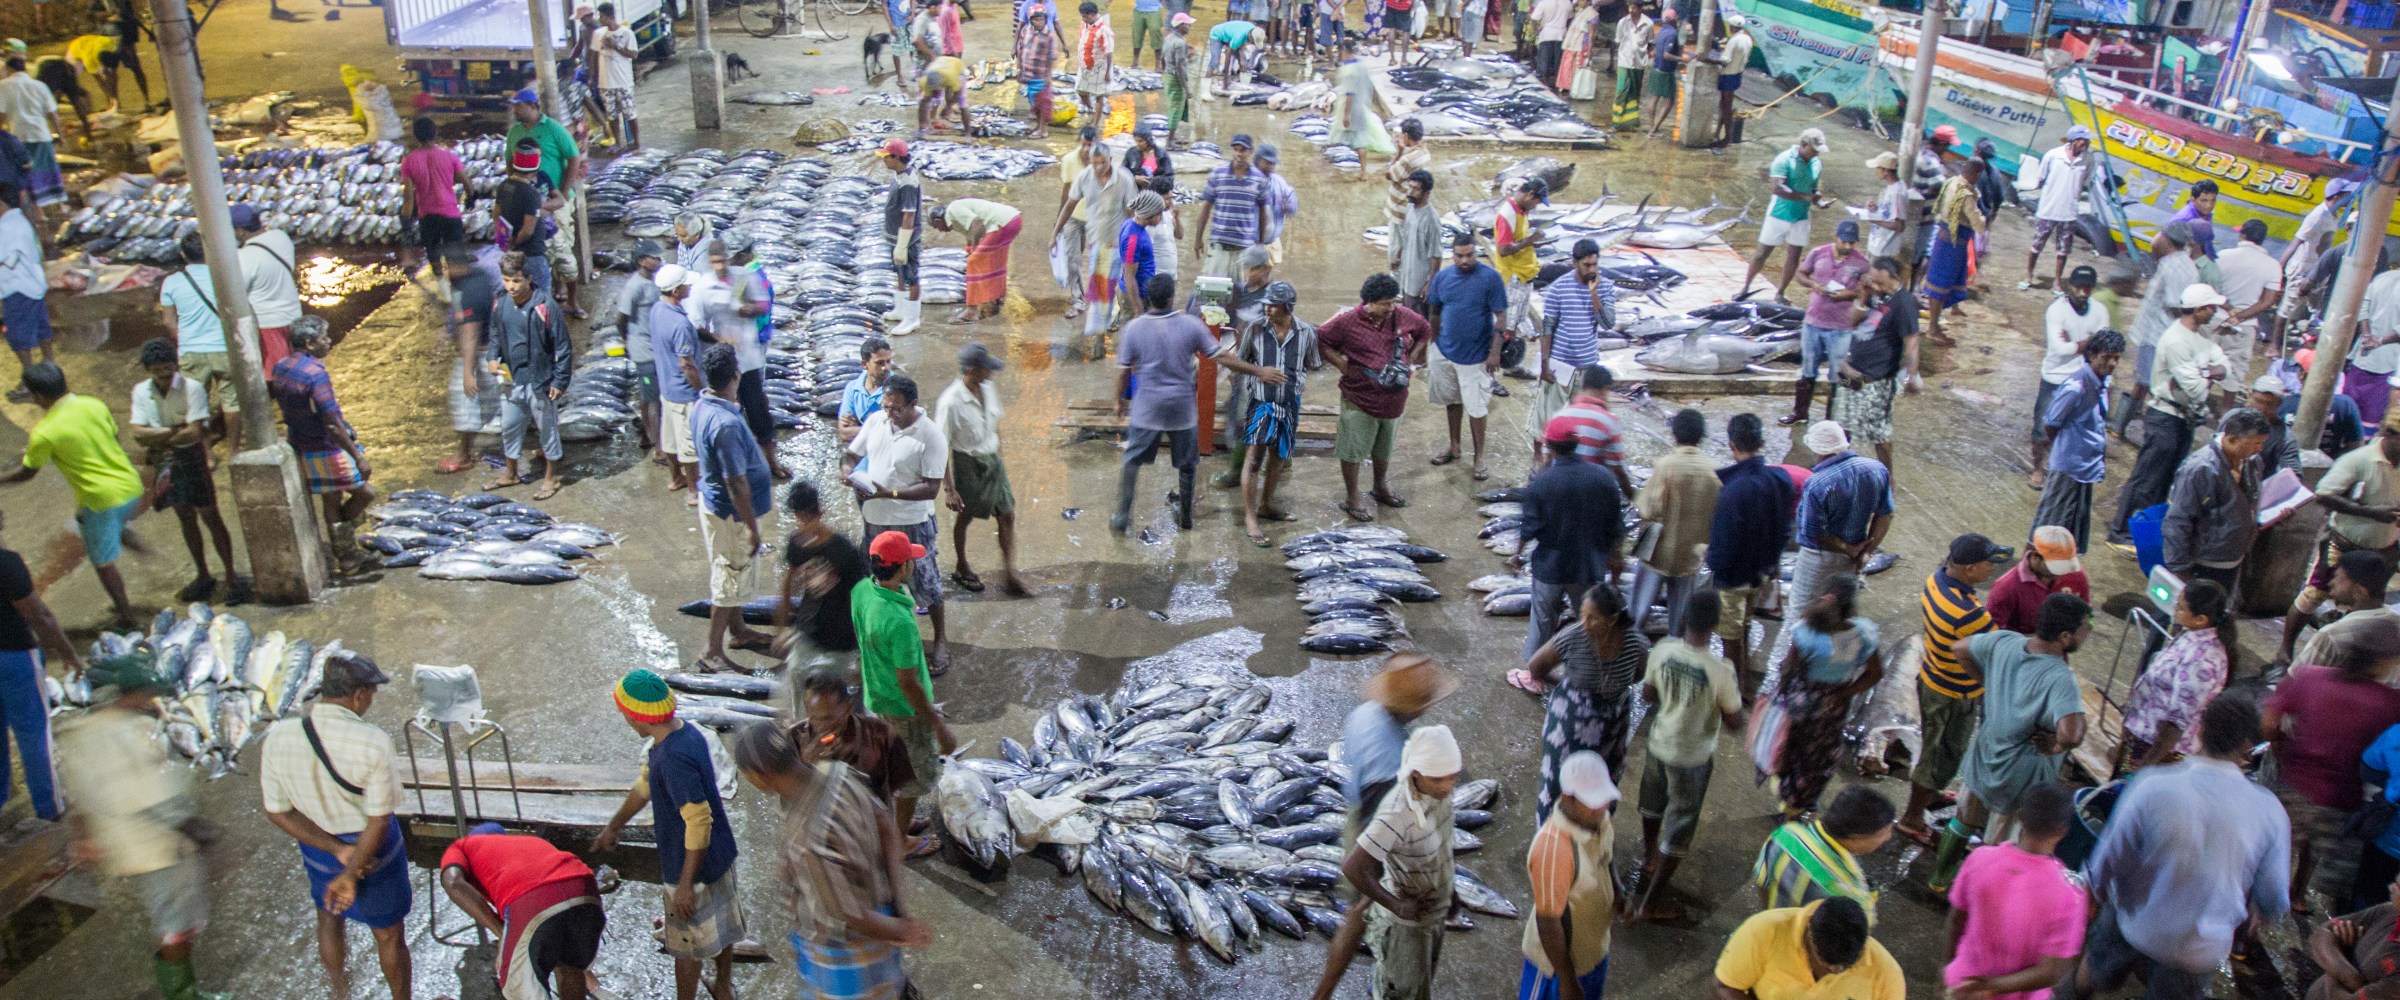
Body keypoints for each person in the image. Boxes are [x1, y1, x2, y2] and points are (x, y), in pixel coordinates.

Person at [2058, 695, 2290, 1000]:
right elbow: (2274, 901)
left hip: (2134, 921)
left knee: (2093, 969)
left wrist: (2092, 899)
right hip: (2197, 949)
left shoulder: (2152, 785)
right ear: (2248, 748)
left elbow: (2108, 862)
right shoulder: (2269, 811)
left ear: (2201, 731)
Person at [58, 654, 222, 1000]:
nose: (149, 698)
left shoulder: (81, 734)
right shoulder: (126, 733)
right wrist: (193, 828)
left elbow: (79, 797)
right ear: (126, 694)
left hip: (130, 846)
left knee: (169, 919)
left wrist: (85, 837)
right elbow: (149, 796)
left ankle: (182, 991)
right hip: (159, 846)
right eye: (143, 692)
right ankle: (183, 995)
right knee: (175, 926)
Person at [730, 722, 928, 1000]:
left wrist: (904, 930)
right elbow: (885, 826)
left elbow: (850, 915)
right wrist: (898, 905)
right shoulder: (839, 772)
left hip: (844, 955)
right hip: (881, 912)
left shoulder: (807, 839)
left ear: (760, 776)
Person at [258, 653, 412, 1000]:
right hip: (372, 850)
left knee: (329, 915)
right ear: (358, 695)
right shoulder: (371, 741)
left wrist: (335, 851)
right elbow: (379, 818)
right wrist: (354, 868)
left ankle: (338, 992)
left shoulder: (279, 736)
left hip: (318, 846)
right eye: (371, 694)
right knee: (387, 934)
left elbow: (278, 813)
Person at [597, 670, 745, 1000]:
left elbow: (698, 821)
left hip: (691, 864)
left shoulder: (671, 758)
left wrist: (684, 886)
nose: (625, 721)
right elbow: (645, 785)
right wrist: (615, 824)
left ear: (637, 718)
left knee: (686, 947)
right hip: (721, 853)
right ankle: (723, 986)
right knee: (723, 926)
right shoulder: (686, 735)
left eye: (625, 715)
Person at [1113, 275, 1282, 532]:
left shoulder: (1134, 329)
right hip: (1181, 409)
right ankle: (1186, 517)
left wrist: (1119, 401)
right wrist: (1258, 371)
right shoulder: (1190, 325)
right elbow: (1222, 357)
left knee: (1132, 460)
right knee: (1187, 465)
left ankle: (1122, 515)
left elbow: (1124, 371)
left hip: (1147, 409)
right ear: (1172, 297)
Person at [2265, 615, 2400, 913]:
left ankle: (2246, 935)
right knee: (2339, 884)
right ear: (2384, 662)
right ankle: (2303, 899)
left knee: (2272, 857)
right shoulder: (2390, 703)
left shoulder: (2309, 676)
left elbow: (2267, 721)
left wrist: (2280, 745)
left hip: (2294, 785)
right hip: (2343, 800)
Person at [1626, 589, 1741, 922]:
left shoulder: (1662, 650)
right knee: (1679, 826)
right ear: (1716, 625)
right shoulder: (1721, 671)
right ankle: (1651, 902)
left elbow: (1647, 695)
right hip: (1692, 759)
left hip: (1659, 745)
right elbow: (1734, 722)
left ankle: (1649, 855)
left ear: (1684, 617)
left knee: (1652, 803)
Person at [1950, 593, 2090, 858]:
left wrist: (1989, 684)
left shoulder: (2004, 641)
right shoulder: (2059, 677)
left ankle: (1939, 880)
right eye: (2085, 627)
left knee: (1964, 817)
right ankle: (1976, 894)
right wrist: (2056, 746)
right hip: (2017, 776)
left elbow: (1960, 648)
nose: (2089, 631)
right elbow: (2072, 735)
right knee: (1999, 845)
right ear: (2064, 637)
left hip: (1984, 756)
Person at [854, 529, 959, 858]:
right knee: (912, 775)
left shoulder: (862, 591)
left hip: (877, 699)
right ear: (901, 569)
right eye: (909, 561)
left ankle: (898, 821)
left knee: (893, 766)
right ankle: (899, 841)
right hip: (904, 709)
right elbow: (908, 682)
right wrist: (937, 724)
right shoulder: (900, 623)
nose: (913, 564)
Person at [1336, 725, 1461, 1000]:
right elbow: (1354, 867)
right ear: (1417, 775)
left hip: (1433, 909)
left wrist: (1452, 890)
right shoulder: (1396, 814)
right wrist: (1395, 905)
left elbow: (1442, 846)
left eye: (1453, 778)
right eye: (1440, 780)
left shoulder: (1439, 795)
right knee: (1407, 991)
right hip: (1409, 925)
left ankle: (1383, 984)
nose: (1449, 787)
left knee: (1412, 979)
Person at [1896, 534, 2006, 843]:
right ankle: (1912, 818)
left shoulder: (1935, 581)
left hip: (1931, 675)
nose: (1992, 570)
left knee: (1937, 749)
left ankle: (1928, 796)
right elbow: (1995, 650)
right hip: (1952, 692)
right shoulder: (1970, 614)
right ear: (1970, 569)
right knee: (1937, 754)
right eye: (1989, 564)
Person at [844, 374, 953, 667]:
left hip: (912, 524)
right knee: (877, 579)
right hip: (875, 521)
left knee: (925, 581)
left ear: (913, 404)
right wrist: (847, 472)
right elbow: (851, 454)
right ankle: (879, 633)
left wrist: (887, 493)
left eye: (896, 408)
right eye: (886, 406)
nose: (889, 412)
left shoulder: (931, 436)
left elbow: (931, 488)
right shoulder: (876, 422)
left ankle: (940, 639)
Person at [2109, 281, 2229, 547]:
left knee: (2164, 480)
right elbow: (2197, 389)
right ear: (2197, 310)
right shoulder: (2177, 341)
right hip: (2165, 417)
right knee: (2147, 479)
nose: (2213, 312)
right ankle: (2121, 532)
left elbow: (2223, 366)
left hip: (2181, 419)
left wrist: (2205, 373)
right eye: (2210, 307)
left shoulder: (2199, 339)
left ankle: (2143, 530)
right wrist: (2207, 375)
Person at [1942, 783, 2086, 1000]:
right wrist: (1991, 987)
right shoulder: (2070, 893)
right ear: (2062, 831)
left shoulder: (1979, 858)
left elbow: (1956, 920)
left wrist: (1949, 970)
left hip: (1963, 983)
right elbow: (2053, 971)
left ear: (2019, 817)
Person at [129, 338, 244, 604]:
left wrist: (159, 435)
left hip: (190, 457)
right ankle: (203, 574)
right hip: (166, 459)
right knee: (184, 515)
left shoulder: (192, 388)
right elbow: (137, 434)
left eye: (168, 369)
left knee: (210, 515)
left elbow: (195, 431)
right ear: (148, 369)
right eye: (157, 370)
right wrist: (175, 432)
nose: (164, 375)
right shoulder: (140, 391)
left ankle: (231, 576)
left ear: (175, 366)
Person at [2283, 408, 2400, 661]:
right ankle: (2284, 652)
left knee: (2366, 605)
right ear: (2390, 434)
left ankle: (2342, 658)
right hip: (2344, 545)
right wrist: (2371, 513)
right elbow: (2324, 495)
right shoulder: (2359, 460)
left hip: (2382, 550)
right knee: (2313, 595)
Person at [440, 822, 606, 1000]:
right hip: (586, 891)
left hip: (535, 897)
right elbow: (560, 892)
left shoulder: (462, 846)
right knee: (570, 966)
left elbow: (453, 882)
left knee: (518, 987)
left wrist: (501, 932)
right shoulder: (530, 844)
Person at [266, 322, 380, 571]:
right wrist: (357, 457)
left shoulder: (281, 367)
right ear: (309, 344)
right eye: (323, 338)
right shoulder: (315, 373)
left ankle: (347, 553)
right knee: (365, 493)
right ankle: (345, 549)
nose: (328, 341)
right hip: (326, 447)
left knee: (331, 498)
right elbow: (331, 422)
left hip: (301, 443)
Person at [689, 344, 775, 673]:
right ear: (736, 375)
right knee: (729, 575)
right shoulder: (723, 423)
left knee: (731, 572)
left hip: (717, 506)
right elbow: (736, 482)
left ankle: (738, 630)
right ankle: (712, 650)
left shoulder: (704, 404)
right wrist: (752, 527)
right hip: (731, 514)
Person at [1318, 273, 1430, 523]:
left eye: (1393, 302)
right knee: (1353, 449)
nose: (1391, 308)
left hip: (1393, 399)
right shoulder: (1346, 322)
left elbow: (1425, 330)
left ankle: (1380, 486)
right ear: (1369, 302)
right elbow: (1322, 339)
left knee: (1384, 447)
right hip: (1359, 397)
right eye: (1385, 303)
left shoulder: (1402, 315)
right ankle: (1352, 497)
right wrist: (1342, 366)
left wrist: (1410, 360)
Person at [1767, 576, 1883, 817]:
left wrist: (1779, 696)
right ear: (1852, 604)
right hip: (1833, 705)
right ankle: (1804, 800)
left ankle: (1788, 797)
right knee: (1819, 755)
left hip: (1801, 699)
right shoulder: (1863, 634)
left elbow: (1789, 668)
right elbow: (1874, 673)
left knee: (1791, 747)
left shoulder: (1806, 631)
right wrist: (1847, 691)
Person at [1514, 423, 1627, 671]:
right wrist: (1615, 556)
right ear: (1577, 445)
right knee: (1588, 621)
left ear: (1549, 447)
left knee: (1543, 620)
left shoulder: (1542, 483)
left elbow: (1529, 527)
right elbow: (1616, 525)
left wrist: (1517, 553)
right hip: (1588, 566)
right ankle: (1591, 668)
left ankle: (1533, 672)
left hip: (1550, 567)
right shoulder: (1603, 477)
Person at [1520, 750, 1617, 1000]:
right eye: (1592, 801)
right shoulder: (1553, 849)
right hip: (1555, 969)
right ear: (1568, 798)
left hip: (1593, 954)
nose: (1601, 807)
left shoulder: (1600, 820)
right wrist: (1567, 979)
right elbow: (1548, 921)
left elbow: (1606, 859)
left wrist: (1618, 891)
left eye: (1603, 798)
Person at [1708, 413, 1794, 680]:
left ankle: (1736, 687)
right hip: (1762, 571)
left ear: (1732, 445)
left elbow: (1725, 542)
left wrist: (1716, 568)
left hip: (1733, 577)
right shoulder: (1780, 479)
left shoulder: (1733, 489)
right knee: (1743, 622)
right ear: (1762, 443)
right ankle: (1743, 672)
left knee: (1729, 635)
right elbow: (1784, 528)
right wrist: (1773, 562)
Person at [1236, 281, 1320, 546]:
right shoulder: (1256, 329)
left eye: (1274, 305)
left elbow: (1313, 364)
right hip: (1261, 403)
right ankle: (1250, 516)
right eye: (1267, 304)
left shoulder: (1306, 331)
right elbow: (1241, 361)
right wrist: (1259, 373)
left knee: (1279, 455)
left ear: (1289, 306)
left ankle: (1266, 504)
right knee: (1253, 458)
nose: (1268, 309)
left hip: (1290, 404)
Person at [486, 252, 575, 500]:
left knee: (547, 429)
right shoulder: (500, 302)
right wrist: (492, 357)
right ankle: (511, 472)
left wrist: (559, 381)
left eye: (516, 281)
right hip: (511, 379)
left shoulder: (544, 306)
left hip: (540, 380)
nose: (511, 286)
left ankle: (552, 477)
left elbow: (563, 347)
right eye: (506, 280)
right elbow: (494, 334)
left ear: (528, 279)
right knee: (510, 426)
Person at [937, 343, 1023, 596]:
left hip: (992, 460)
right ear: (973, 370)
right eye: (987, 368)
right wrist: (949, 490)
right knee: (965, 517)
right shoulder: (950, 402)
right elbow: (940, 448)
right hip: (968, 464)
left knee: (1007, 514)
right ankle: (961, 565)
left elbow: (996, 426)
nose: (992, 373)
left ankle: (1010, 573)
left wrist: (1001, 458)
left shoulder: (988, 388)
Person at [700, 236, 788, 481]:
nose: (719, 266)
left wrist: (746, 308)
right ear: (709, 262)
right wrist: (718, 339)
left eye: (722, 260)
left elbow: (763, 304)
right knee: (727, 414)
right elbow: (696, 323)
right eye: (714, 262)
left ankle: (771, 460)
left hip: (749, 359)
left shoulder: (744, 276)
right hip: (723, 361)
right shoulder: (702, 285)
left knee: (759, 411)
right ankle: (733, 466)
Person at [2119, 578, 2231, 770]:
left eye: (2180, 607)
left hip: (2159, 753)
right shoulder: (2190, 635)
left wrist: (2146, 767)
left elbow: (2176, 724)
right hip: (2143, 738)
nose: (2174, 608)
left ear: (2200, 619)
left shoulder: (2202, 662)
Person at [1423, 233, 1508, 479]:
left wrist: (1495, 352)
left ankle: (1479, 455)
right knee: (1452, 400)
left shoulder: (1490, 278)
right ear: (1453, 255)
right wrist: (1435, 343)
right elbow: (1435, 310)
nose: (1464, 260)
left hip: (1477, 356)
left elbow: (1500, 316)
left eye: (1469, 255)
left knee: (1477, 407)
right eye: (1459, 256)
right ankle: (1454, 445)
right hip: (1446, 351)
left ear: (1476, 252)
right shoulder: (1442, 278)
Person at [2161, 406, 2269, 594]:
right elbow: (2178, 520)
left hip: (2232, 558)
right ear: (2233, 439)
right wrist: (2179, 567)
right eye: (2255, 443)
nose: (2259, 449)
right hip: (2202, 560)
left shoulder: (2253, 461)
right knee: (2188, 614)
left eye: (2262, 443)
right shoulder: (2200, 468)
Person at [1633, 409, 1720, 633]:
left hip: (1658, 549)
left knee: (1639, 608)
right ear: (1701, 436)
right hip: (1691, 552)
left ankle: (1632, 643)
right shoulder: (1714, 470)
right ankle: (1676, 643)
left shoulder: (1666, 465)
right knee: (1681, 614)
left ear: (1675, 434)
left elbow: (1649, 508)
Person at [2035, 329, 2122, 552]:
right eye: (2106, 357)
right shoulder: (2076, 387)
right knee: (2046, 529)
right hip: (2068, 467)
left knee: (2069, 532)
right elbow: (2052, 423)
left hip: (2086, 467)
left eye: (2116, 357)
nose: (2112, 363)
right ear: (2091, 355)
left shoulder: (2103, 382)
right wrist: (2064, 449)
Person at [1713, 897, 1902, 1000]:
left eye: (1846, 966)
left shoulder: (1887, 975)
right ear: (1809, 932)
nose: (1836, 971)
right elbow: (1723, 986)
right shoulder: (1763, 931)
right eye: (1827, 964)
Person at [1789, 420, 1893, 606]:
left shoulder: (1817, 483)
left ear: (1818, 451)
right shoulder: (1876, 469)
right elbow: (1885, 514)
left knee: (1801, 612)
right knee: (1840, 609)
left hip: (1818, 556)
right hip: (1856, 550)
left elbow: (1815, 533)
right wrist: (1866, 551)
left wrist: (1847, 549)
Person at [1829, 256, 1918, 470]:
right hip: (1851, 374)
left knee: (1880, 435)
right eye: (1874, 281)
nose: (1876, 286)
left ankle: (1887, 480)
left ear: (1894, 278)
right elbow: (1852, 320)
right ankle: (1835, 472)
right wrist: (1863, 296)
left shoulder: (1904, 303)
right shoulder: (1876, 295)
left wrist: (1911, 376)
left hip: (1876, 381)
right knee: (1841, 430)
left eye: (1880, 282)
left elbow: (1912, 341)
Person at [2113, 223, 2202, 437]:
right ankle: (2123, 425)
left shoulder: (2176, 267)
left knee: (2149, 385)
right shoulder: (2180, 263)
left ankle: (2129, 427)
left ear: (2166, 240)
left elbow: (2176, 305)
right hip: (2157, 334)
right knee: (2144, 383)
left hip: (2157, 336)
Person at [1781, 221, 1871, 427]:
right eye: (1844, 241)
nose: (1848, 246)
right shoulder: (1818, 253)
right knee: (1807, 369)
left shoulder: (1862, 263)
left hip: (1841, 327)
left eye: (1852, 243)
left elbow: (1868, 289)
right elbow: (1801, 273)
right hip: (1813, 322)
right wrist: (1814, 285)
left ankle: (1833, 419)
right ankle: (1800, 412)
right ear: (1835, 237)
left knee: (1838, 374)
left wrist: (1850, 293)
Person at [1755, 784, 1894, 914]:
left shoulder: (1785, 835)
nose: (1888, 837)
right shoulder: (1853, 895)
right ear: (1857, 837)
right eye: (1883, 833)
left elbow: (1762, 882)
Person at [787, 668, 914, 805]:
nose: (820, 726)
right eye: (813, 717)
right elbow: (789, 795)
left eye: (828, 718)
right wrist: (809, 765)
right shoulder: (795, 739)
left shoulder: (881, 737)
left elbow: (899, 785)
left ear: (849, 708)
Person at [2031, 266, 2108, 486]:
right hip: (2055, 377)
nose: (2083, 292)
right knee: (2043, 426)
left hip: (2085, 377)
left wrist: (2076, 343)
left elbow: (2104, 344)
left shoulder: (2100, 310)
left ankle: (2063, 468)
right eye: (2079, 287)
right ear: (2069, 287)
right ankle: (2037, 469)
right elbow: (2059, 349)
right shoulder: (2056, 311)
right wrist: (2089, 342)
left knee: (2079, 428)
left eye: (2088, 288)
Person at [1741, 129, 1833, 302]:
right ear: (1803, 145)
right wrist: (1805, 197)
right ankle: (1745, 287)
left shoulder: (1816, 163)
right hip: (1779, 213)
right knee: (1762, 253)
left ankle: (1781, 291)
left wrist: (1819, 201)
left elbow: (1813, 188)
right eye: (1813, 150)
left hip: (1801, 216)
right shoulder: (1784, 160)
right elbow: (1777, 187)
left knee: (1794, 255)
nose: (1816, 153)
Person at [1058, 144, 1140, 334]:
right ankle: (1099, 329)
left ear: (1110, 160)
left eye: (1102, 162)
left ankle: (1103, 328)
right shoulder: (1085, 176)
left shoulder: (1124, 179)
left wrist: (1129, 244)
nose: (1098, 167)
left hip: (1117, 243)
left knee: (1111, 287)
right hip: (1097, 242)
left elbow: (1131, 214)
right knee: (1100, 289)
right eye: (1094, 163)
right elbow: (1070, 204)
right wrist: (1056, 231)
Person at [650, 263, 704, 494]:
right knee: (689, 445)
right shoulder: (680, 324)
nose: (689, 287)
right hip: (683, 392)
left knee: (670, 439)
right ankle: (694, 490)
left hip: (666, 387)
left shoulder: (656, 309)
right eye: (685, 285)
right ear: (676, 292)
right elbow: (686, 364)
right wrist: (702, 390)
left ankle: (676, 478)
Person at [2293, 550, 2396, 670]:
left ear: (2360, 591)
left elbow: (2295, 679)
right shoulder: (2396, 623)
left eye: (2337, 578)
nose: (2331, 583)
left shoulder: (2330, 636)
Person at [2214, 219, 2283, 399]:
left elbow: (2211, 289)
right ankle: (2226, 413)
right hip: (2244, 326)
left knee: (2203, 365)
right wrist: (2240, 317)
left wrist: (2229, 309)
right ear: (2262, 240)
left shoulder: (2223, 255)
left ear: (2242, 235)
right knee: (2234, 374)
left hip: (2213, 318)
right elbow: (2267, 302)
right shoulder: (2273, 265)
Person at [2019, 127, 2093, 289]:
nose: (2086, 143)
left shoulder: (2087, 160)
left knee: (2063, 250)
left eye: (2087, 140)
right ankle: (2028, 275)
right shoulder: (2053, 155)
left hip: (2069, 212)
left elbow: (2085, 182)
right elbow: (2041, 178)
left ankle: (2057, 282)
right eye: (2083, 140)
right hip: (2048, 209)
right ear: (2073, 139)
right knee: (2037, 245)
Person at [611, 240, 664, 461]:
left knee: (647, 394)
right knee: (654, 399)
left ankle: (645, 433)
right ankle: (659, 447)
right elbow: (621, 318)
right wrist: (627, 340)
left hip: (654, 347)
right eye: (655, 257)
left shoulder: (654, 280)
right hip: (644, 351)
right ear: (642, 261)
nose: (659, 260)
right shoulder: (634, 286)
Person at [1921, 156, 1984, 343]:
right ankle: (1933, 327)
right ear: (1977, 174)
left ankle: (1934, 325)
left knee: (1937, 285)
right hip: (1954, 245)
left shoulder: (1951, 182)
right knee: (1940, 287)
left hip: (1942, 238)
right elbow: (1979, 224)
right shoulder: (1966, 194)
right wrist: (1984, 218)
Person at [1987, 525, 2091, 633]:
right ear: (2035, 557)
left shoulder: (2075, 574)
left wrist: (2077, 616)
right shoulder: (2007, 586)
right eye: (2056, 567)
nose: (2062, 573)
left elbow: (2089, 617)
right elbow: (1991, 635)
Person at [1493, 177, 1548, 376]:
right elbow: (1503, 249)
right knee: (1504, 326)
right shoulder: (1507, 214)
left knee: (1514, 324)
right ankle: (1492, 367)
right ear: (1530, 195)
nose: (1536, 206)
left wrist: (1530, 242)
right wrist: (1529, 241)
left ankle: (1510, 365)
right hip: (1512, 278)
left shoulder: (1521, 210)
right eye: (1537, 201)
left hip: (1523, 276)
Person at [1192, 134, 1268, 279]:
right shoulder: (1217, 175)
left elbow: (1263, 213)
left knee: (1241, 295)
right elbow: (1206, 208)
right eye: (1236, 149)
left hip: (1245, 247)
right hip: (1219, 244)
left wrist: (1261, 243)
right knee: (1213, 291)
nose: (1239, 154)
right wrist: (1198, 239)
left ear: (1250, 152)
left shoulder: (1259, 179)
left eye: (1243, 150)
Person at [400, 117, 466, 271]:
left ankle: (440, 283)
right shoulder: (450, 157)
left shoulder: (408, 161)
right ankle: (455, 292)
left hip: (428, 217)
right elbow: (468, 185)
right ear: (435, 133)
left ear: (416, 136)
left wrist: (406, 224)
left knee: (434, 257)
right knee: (456, 260)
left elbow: (408, 199)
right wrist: (470, 197)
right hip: (450, 214)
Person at [0, 57, 64, 210]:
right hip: (42, 135)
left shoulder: (4, 85)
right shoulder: (40, 86)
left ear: (9, 70)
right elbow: (53, 113)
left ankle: (37, 209)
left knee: (25, 172)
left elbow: (1, 113)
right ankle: (59, 205)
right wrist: (61, 135)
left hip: (20, 135)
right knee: (47, 169)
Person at [493, 144, 555, 297]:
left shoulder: (504, 185)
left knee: (519, 296)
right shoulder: (530, 192)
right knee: (539, 298)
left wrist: (504, 239)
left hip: (512, 255)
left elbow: (496, 214)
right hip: (531, 254)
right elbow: (528, 230)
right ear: (535, 169)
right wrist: (515, 241)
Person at [880, 140, 925, 336]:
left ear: (896, 157)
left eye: (886, 156)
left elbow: (909, 214)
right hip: (894, 236)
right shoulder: (899, 175)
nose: (883, 160)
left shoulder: (908, 182)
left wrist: (902, 244)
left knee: (911, 277)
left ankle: (912, 318)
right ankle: (900, 309)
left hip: (906, 239)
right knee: (899, 272)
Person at [1389, 169, 1443, 315]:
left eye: (1416, 189)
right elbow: (1406, 238)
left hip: (1419, 284)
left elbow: (1437, 256)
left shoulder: (1431, 219)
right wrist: (1398, 257)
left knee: (1416, 320)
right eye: (1410, 187)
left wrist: (1429, 284)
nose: (1410, 192)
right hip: (1407, 275)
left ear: (1427, 193)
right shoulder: (1410, 208)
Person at [591, 3, 641, 150]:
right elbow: (594, 55)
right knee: (611, 115)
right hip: (605, 82)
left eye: (602, 16)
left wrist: (615, 46)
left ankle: (636, 142)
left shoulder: (627, 33)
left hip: (623, 81)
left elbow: (634, 54)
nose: (600, 19)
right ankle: (617, 142)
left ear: (611, 17)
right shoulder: (598, 34)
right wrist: (593, 76)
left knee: (630, 113)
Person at [836, 337, 894, 445]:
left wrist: (857, 427)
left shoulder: (897, 389)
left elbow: (892, 432)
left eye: (888, 361)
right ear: (864, 364)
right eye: (879, 363)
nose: (885, 367)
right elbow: (844, 433)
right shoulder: (852, 388)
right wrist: (876, 429)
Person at [1708, 16, 1754, 146]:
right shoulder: (1747, 38)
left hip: (1728, 75)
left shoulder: (1734, 41)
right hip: (1737, 74)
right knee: (1725, 105)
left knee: (1725, 107)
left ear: (1732, 27)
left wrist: (1709, 60)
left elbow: (1725, 61)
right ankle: (1718, 132)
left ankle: (1727, 137)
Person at [1016, 7, 1059, 137]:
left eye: (1042, 20)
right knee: (1033, 101)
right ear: (1031, 20)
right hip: (1029, 73)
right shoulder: (1026, 31)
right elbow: (1022, 48)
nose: (1039, 22)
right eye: (1036, 20)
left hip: (1041, 74)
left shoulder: (1049, 35)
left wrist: (1048, 75)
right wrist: (1020, 68)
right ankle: (1038, 126)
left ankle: (1043, 130)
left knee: (1042, 103)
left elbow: (1052, 56)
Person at [1254, 144, 1299, 266]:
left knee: (1264, 276)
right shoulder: (1249, 181)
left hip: (1272, 241)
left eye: (1273, 163)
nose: (1271, 166)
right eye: (1267, 163)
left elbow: (1293, 206)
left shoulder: (1279, 182)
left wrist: (1289, 206)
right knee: (1249, 277)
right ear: (1258, 162)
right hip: (1251, 243)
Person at [1610, 4, 1654, 129]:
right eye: (1630, 7)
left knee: (1635, 92)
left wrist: (1647, 56)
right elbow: (1618, 41)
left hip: (1639, 63)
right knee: (1621, 90)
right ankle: (1617, 120)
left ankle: (1631, 121)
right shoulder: (1622, 23)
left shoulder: (1648, 24)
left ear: (1640, 8)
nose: (1631, 10)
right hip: (1624, 62)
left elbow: (1650, 43)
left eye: (1634, 8)